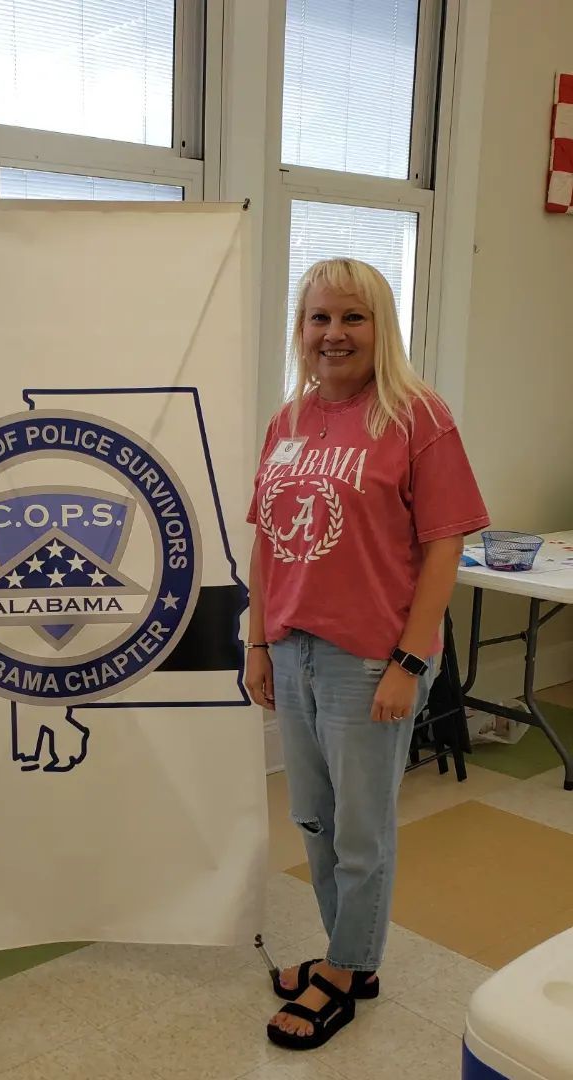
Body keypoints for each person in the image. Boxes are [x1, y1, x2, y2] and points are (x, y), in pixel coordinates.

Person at [244, 258, 489, 1051]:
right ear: (301, 329)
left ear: (382, 327)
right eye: (319, 317)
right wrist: (257, 641)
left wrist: (410, 663)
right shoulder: (289, 421)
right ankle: (350, 957)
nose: (334, 333)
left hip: (369, 660)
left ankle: (345, 969)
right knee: (314, 818)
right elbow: (266, 541)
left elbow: (445, 546)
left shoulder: (417, 417)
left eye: (354, 317)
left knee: (361, 831)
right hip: (292, 648)